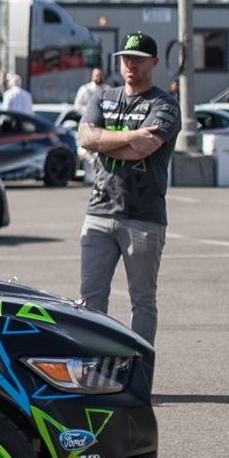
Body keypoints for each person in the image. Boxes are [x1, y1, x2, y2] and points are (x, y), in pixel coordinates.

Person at [76, 32, 180, 343]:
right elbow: (84, 138)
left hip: (143, 216)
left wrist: (103, 141)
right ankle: (93, 373)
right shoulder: (103, 97)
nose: (130, 63)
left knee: (142, 302)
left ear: (155, 62)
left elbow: (142, 149)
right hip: (99, 211)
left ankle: (139, 378)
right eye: (125, 58)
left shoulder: (165, 104)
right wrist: (127, 137)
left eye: (138, 58)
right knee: (89, 302)